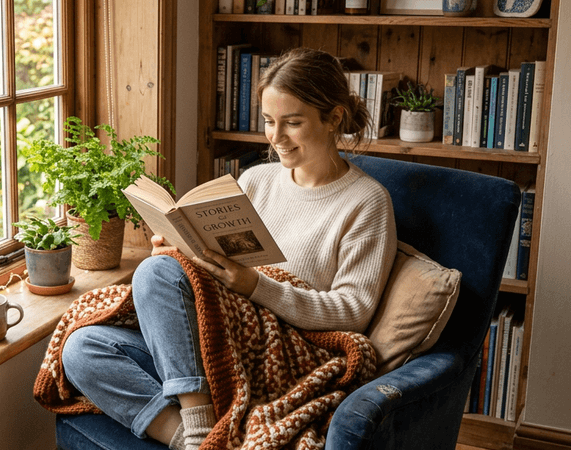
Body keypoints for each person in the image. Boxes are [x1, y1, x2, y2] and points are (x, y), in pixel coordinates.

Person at [61, 47, 398, 450]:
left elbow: (353, 312)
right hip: (219, 333)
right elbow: (216, 264)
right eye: (270, 122)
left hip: (284, 350)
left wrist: (256, 285)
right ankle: (192, 438)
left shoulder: (366, 202)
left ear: (334, 118)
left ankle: (202, 428)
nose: (276, 138)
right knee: (82, 349)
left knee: (155, 275)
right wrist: (177, 248)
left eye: (292, 123)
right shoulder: (257, 179)